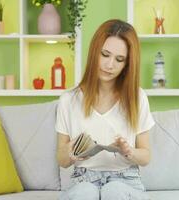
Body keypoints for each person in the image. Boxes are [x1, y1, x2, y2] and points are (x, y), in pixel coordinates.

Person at [55, 19, 155, 200]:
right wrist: (72, 150)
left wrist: (129, 151)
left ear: (127, 64)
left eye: (119, 59)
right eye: (105, 54)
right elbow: (62, 161)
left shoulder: (138, 98)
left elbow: (146, 156)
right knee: (85, 192)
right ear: (95, 52)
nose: (110, 65)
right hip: (83, 180)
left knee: (114, 191)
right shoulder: (68, 100)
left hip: (126, 181)